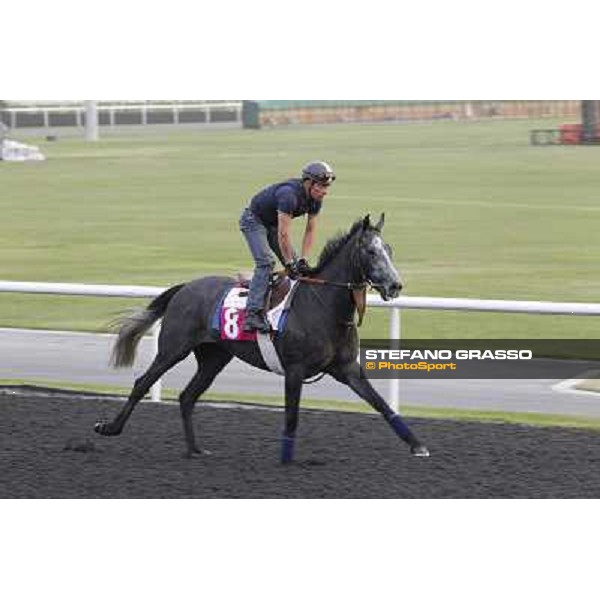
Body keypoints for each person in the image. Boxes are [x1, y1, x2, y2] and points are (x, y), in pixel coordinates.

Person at [239, 161, 336, 333]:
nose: (324, 191)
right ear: (308, 182)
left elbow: (310, 230)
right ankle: (252, 314)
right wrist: (289, 264)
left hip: (273, 224)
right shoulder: (289, 195)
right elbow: (283, 234)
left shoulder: (315, 199)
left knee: (299, 267)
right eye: (321, 186)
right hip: (254, 221)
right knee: (266, 263)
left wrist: (303, 260)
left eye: (326, 187)